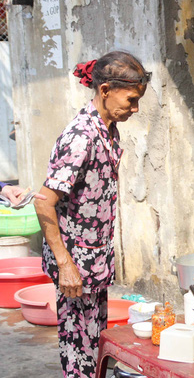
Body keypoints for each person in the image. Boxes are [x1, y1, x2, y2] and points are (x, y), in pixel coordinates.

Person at [34, 51, 150, 378]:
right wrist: (65, 263)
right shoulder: (81, 136)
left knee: (93, 345)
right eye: (130, 100)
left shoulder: (107, 128)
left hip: (93, 263)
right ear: (105, 91)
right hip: (75, 267)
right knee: (79, 354)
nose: (135, 109)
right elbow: (43, 201)